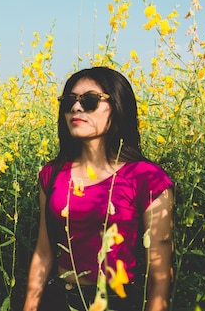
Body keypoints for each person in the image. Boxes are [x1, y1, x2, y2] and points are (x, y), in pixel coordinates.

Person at [23, 67, 174, 311]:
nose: (76, 108)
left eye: (91, 100)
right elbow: (43, 252)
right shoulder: (52, 174)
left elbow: (159, 273)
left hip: (117, 302)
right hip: (59, 300)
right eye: (69, 101)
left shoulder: (147, 178)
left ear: (117, 107)